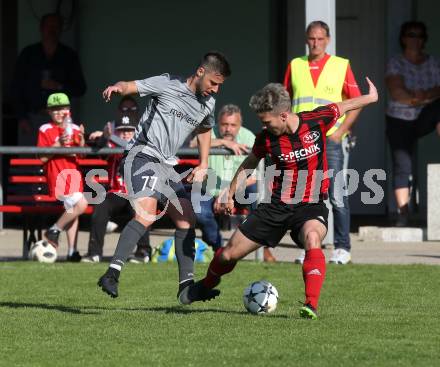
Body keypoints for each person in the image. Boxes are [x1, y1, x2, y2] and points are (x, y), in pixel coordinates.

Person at [179, 79, 378, 319]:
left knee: (313, 238)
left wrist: (370, 98)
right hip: (275, 207)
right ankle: (205, 286)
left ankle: (310, 305)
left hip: (310, 205)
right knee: (228, 254)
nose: (263, 125)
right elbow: (250, 163)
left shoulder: (316, 120)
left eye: (266, 121)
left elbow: (343, 105)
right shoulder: (266, 139)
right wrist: (230, 192)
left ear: (283, 115)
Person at [97, 52, 231, 301]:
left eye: (219, 86)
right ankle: (111, 273)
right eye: (214, 83)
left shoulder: (207, 103)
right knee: (146, 212)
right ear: (201, 72)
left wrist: (203, 163)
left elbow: (204, 129)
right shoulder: (168, 83)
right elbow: (132, 86)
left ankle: (186, 288)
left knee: (186, 219)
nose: (215, 90)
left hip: (167, 165)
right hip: (141, 155)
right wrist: (117, 87)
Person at [283, 20, 362, 265]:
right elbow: (285, 102)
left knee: (336, 193)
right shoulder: (295, 65)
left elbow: (357, 101)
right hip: (302, 141)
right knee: (303, 194)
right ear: (306, 39)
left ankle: (342, 247)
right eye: (311, 38)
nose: (315, 43)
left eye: (320, 38)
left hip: (331, 139)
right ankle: (307, 243)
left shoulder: (341, 65)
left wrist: (341, 132)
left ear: (328, 40)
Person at [190, 104, 276, 262]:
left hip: (239, 189)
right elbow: (192, 144)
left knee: (259, 199)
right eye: (224, 125)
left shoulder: (249, 137)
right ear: (218, 123)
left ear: (239, 125)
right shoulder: (209, 132)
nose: (228, 129)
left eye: (232, 125)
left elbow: (256, 175)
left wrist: (228, 192)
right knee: (201, 213)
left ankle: (261, 248)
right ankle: (217, 249)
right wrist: (224, 142)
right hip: (209, 189)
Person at [82, 98, 151, 264]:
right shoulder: (112, 145)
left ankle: (143, 252)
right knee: (101, 205)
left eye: (129, 130)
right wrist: (105, 137)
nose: (126, 133)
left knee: (142, 206)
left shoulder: (143, 143)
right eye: (122, 130)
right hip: (116, 192)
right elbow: (100, 151)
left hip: (137, 192)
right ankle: (94, 253)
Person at [385, 21, 440, 227]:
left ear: (424, 39)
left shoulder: (433, 62)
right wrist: (415, 99)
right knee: (402, 166)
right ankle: (403, 213)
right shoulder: (396, 62)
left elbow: (439, 89)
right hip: (399, 119)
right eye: (410, 34)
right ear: (403, 38)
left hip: (424, 116)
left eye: (418, 35)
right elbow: (396, 90)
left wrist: (425, 96)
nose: (414, 39)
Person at [11, 13, 87, 146]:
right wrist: (22, 118)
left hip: (61, 120)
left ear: (61, 29)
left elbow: (80, 88)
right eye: (49, 26)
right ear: (41, 28)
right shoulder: (28, 54)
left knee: (61, 159)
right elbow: (16, 88)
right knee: (29, 162)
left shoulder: (69, 56)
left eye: (56, 26)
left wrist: (58, 86)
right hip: (31, 118)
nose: (52, 29)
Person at [37, 93, 88, 261]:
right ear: (49, 112)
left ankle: (71, 251)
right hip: (57, 177)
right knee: (80, 204)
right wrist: (57, 145)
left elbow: (82, 157)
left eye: (63, 109)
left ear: (69, 110)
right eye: (55, 110)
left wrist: (81, 143)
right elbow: (42, 158)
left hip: (74, 176)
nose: (60, 113)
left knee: (73, 210)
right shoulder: (45, 129)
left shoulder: (73, 129)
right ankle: (55, 229)